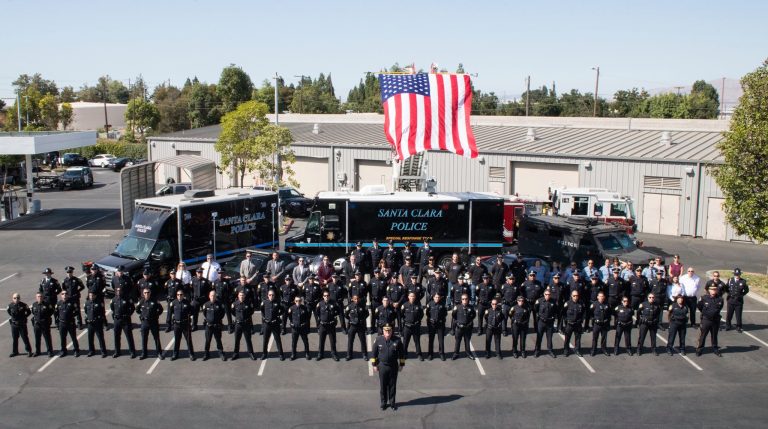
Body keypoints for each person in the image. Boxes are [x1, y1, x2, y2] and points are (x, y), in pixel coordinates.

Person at [371, 324, 405, 411]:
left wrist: (401, 365)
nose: (387, 333)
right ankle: (383, 403)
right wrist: (374, 365)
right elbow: (373, 353)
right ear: (383, 331)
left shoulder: (397, 340)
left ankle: (392, 403)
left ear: (392, 331)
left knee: (392, 385)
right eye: (386, 331)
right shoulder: (378, 340)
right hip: (382, 366)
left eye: (389, 331)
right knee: (383, 385)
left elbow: (402, 353)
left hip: (393, 366)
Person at [135, 288, 163, 360]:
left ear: (150, 293)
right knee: (144, 338)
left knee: (156, 338)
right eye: (145, 293)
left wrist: (156, 315)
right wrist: (142, 315)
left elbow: (161, 309)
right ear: (143, 294)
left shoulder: (155, 301)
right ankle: (144, 354)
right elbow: (137, 309)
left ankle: (159, 353)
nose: (146, 294)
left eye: (148, 292)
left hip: (153, 322)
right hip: (145, 322)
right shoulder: (141, 301)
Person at [696, 284, 724, 357]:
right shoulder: (704, 298)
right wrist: (706, 313)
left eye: (715, 289)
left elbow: (719, 308)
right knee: (703, 335)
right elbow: (699, 306)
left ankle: (715, 349)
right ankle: (700, 349)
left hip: (715, 320)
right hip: (706, 320)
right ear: (709, 290)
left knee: (714, 335)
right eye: (712, 289)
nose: (713, 290)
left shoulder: (720, 299)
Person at [169, 290, 195, 361]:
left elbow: (192, 311)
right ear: (176, 295)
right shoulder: (173, 303)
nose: (179, 296)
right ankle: (175, 354)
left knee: (188, 340)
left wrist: (190, 319)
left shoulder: (187, 302)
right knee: (177, 340)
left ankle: (191, 354)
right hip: (176, 324)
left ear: (183, 295)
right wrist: (170, 322)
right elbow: (170, 312)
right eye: (178, 295)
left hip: (185, 324)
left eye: (181, 294)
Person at [110, 286, 136, 359]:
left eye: (120, 291)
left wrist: (128, 315)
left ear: (122, 291)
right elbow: (112, 308)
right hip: (117, 320)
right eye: (117, 291)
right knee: (116, 336)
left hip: (125, 320)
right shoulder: (114, 299)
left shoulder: (127, 299)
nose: (118, 292)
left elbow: (133, 308)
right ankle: (117, 352)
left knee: (129, 336)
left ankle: (132, 352)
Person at [231, 291, 257, 361]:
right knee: (237, 340)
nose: (241, 296)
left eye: (243, 295)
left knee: (248, 339)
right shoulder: (234, 304)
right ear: (238, 296)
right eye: (240, 295)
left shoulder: (248, 303)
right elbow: (233, 312)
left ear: (244, 296)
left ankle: (251, 353)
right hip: (238, 324)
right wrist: (238, 318)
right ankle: (236, 353)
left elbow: (251, 311)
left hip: (246, 324)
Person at [201, 290, 227, 361]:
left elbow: (222, 314)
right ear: (209, 296)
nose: (213, 297)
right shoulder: (206, 305)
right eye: (211, 295)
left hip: (217, 326)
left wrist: (217, 320)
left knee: (218, 340)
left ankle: (221, 352)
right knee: (208, 340)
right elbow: (204, 313)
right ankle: (206, 353)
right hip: (209, 326)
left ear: (216, 296)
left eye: (214, 295)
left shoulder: (219, 304)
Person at [261, 290, 285, 360]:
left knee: (278, 339)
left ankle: (281, 354)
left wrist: (278, 315)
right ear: (267, 295)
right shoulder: (264, 302)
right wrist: (264, 318)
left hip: (275, 324)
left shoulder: (277, 303)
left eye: (272, 295)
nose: (271, 296)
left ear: (274, 296)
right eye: (270, 295)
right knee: (265, 340)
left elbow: (283, 310)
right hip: (267, 324)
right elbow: (262, 310)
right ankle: (264, 354)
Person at [55, 290, 80, 357]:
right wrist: (57, 322)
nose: (64, 295)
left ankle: (76, 350)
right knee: (62, 338)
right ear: (61, 295)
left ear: (68, 295)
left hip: (70, 323)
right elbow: (56, 313)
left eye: (66, 294)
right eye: (63, 294)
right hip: (62, 323)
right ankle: (63, 351)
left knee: (73, 337)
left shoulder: (72, 303)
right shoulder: (59, 303)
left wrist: (71, 316)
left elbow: (77, 311)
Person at [316, 290, 340, 361]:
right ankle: (320, 354)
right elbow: (317, 313)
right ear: (323, 297)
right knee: (321, 341)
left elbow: (338, 311)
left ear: (329, 296)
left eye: (327, 295)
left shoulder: (334, 303)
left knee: (333, 341)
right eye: (325, 296)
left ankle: (333, 354)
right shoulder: (320, 304)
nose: (326, 297)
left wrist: (334, 317)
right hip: (323, 325)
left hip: (331, 325)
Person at [7, 293, 33, 357]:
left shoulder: (24, 305)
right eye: (15, 298)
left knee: (25, 338)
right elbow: (9, 311)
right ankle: (15, 351)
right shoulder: (10, 305)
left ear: (19, 298)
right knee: (15, 338)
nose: (16, 299)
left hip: (22, 325)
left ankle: (29, 351)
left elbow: (29, 312)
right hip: (14, 325)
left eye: (18, 298)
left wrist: (24, 317)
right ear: (12, 298)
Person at [451, 294, 476, 360]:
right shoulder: (457, 307)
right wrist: (458, 322)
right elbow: (454, 315)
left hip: (467, 328)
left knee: (467, 341)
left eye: (466, 299)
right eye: (463, 299)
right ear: (461, 300)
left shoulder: (471, 307)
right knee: (457, 341)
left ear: (468, 299)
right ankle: (456, 354)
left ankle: (468, 353)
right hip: (459, 328)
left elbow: (474, 315)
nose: (464, 300)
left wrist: (469, 322)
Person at [533, 289, 557, 358]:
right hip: (541, 322)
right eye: (546, 294)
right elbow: (535, 309)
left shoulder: (553, 301)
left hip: (549, 322)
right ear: (544, 294)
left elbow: (556, 310)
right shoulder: (539, 301)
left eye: (549, 294)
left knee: (549, 337)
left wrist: (553, 318)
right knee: (539, 337)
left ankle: (550, 350)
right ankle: (537, 350)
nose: (547, 296)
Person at [400, 291, 424, 360]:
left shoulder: (418, 305)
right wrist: (406, 321)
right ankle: (404, 354)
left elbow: (421, 315)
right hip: (407, 326)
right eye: (411, 296)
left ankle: (419, 354)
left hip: (415, 326)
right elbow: (402, 315)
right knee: (405, 341)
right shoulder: (404, 305)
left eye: (413, 296)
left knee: (417, 341)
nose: (412, 297)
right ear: (408, 297)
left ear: (415, 297)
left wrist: (417, 321)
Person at [345, 294, 369, 360]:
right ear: (352, 299)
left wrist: (362, 319)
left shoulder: (363, 306)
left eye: (357, 299)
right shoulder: (349, 306)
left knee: (363, 341)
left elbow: (367, 314)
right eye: (355, 299)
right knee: (350, 341)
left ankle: (364, 354)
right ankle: (349, 355)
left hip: (360, 326)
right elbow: (346, 315)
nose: (356, 300)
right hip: (352, 326)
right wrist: (351, 320)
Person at [84, 291, 108, 358]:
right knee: (90, 338)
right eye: (90, 295)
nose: (91, 297)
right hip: (90, 323)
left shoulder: (99, 303)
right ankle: (91, 351)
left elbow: (102, 313)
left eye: (92, 295)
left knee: (100, 338)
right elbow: (86, 311)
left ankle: (103, 351)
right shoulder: (87, 303)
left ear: (95, 296)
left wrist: (103, 322)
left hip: (97, 323)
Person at [562, 290, 585, 357]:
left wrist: (581, 320)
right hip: (569, 324)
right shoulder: (567, 303)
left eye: (577, 295)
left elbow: (584, 313)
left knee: (578, 338)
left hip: (577, 324)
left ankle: (577, 349)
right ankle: (566, 350)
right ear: (571, 296)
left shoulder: (581, 304)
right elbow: (563, 313)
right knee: (567, 338)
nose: (575, 297)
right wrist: (566, 321)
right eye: (574, 296)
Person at [288, 295, 312, 360]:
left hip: (303, 328)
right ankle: (293, 354)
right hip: (295, 328)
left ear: (301, 301)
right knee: (294, 342)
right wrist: (292, 324)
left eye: (299, 301)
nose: (298, 302)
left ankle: (307, 353)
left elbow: (307, 318)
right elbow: (290, 317)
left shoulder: (305, 308)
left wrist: (304, 324)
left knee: (305, 341)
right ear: (294, 301)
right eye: (296, 301)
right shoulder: (291, 308)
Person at [725, 268, 749, 332]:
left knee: (738, 315)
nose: (737, 276)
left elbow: (746, 290)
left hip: (739, 301)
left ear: (740, 274)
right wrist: (729, 294)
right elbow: (726, 288)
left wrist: (741, 295)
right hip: (731, 300)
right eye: (736, 274)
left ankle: (739, 326)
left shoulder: (743, 281)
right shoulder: (730, 280)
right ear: (734, 274)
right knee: (729, 314)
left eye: (738, 274)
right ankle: (728, 325)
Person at [30, 292, 54, 357]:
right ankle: (38, 351)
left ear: (43, 297)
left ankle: (50, 351)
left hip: (45, 324)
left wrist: (45, 319)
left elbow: (51, 311)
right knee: (37, 339)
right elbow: (33, 312)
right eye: (38, 296)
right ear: (36, 297)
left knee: (47, 338)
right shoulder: (34, 305)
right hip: (37, 325)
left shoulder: (47, 304)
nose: (39, 298)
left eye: (41, 296)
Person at [589, 292, 612, 356]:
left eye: (602, 296)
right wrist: (594, 320)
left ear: (604, 297)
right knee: (595, 338)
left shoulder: (607, 305)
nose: (601, 298)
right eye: (600, 296)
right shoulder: (594, 304)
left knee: (604, 338)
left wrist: (608, 322)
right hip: (597, 324)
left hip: (604, 324)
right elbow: (590, 314)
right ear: (597, 297)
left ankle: (604, 349)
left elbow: (609, 314)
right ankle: (593, 350)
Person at [425, 293, 447, 361]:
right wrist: (430, 320)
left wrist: (441, 321)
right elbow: (427, 313)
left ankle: (441, 353)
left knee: (441, 340)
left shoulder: (442, 305)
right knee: (431, 340)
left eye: (438, 297)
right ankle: (430, 354)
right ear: (433, 297)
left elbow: (445, 314)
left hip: (440, 324)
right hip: (432, 325)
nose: (437, 298)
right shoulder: (430, 304)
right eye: (436, 297)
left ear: (440, 298)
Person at [212, 268, 234, 333]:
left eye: (221, 273)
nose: (220, 275)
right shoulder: (215, 282)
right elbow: (214, 291)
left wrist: (230, 298)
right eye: (219, 273)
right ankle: (219, 324)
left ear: (223, 274)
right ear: (217, 274)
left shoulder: (227, 281)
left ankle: (230, 325)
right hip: (218, 300)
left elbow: (231, 290)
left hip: (226, 300)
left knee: (228, 313)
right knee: (218, 313)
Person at [190, 267, 212, 331]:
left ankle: (207, 323)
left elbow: (209, 290)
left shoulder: (206, 281)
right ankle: (194, 325)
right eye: (198, 272)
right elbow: (191, 290)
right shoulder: (193, 280)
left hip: (204, 299)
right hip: (196, 299)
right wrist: (192, 297)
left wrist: (207, 299)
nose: (200, 274)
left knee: (206, 312)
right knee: (195, 313)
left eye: (201, 273)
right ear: (196, 273)